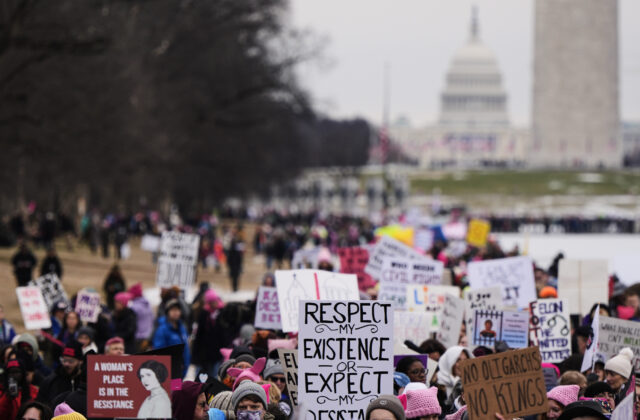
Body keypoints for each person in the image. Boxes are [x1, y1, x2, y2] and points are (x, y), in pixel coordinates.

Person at [36, 343, 83, 407]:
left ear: (80, 362)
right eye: (64, 360)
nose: (66, 364)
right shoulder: (50, 381)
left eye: (71, 361)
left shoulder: (85, 382)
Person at [152, 299, 190, 376]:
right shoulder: (162, 329)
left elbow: (186, 348)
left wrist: (186, 364)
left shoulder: (182, 328)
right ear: (167, 312)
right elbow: (159, 351)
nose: (175, 312)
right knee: (172, 388)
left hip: (181, 369)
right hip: (169, 371)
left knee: (178, 387)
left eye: (177, 310)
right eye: (173, 310)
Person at [128, 283, 154, 352]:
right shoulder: (148, 305)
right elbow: (152, 319)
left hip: (138, 337)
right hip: (148, 336)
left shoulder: (134, 307)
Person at [224, 225, 245, 292]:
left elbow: (240, 257)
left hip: (236, 263)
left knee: (236, 277)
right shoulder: (230, 243)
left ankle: (235, 288)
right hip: (233, 264)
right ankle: (234, 288)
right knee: (233, 277)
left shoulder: (239, 240)